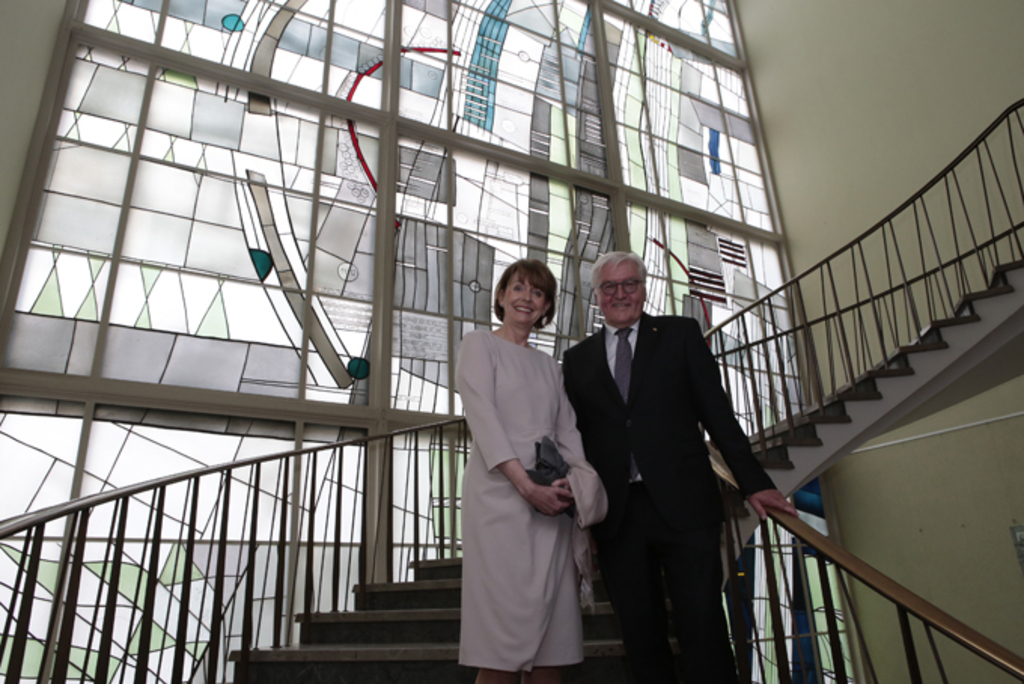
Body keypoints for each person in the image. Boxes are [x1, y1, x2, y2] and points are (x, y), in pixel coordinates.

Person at [561, 251, 798, 684]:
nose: (620, 294)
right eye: (609, 287)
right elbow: (574, 441)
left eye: (629, 283)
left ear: (644, 286)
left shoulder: (680, 334)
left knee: (703, 626)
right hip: (617, 518)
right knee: (640, 635)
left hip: (686, 509)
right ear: (596, 297)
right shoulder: (577, 361)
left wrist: (754, 484)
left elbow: (718, 415)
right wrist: (583, 520)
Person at [456, 259, 607, 684]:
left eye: (537, 293)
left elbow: (568, 434)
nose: (527, 298)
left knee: (552, 644)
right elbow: (482, 416)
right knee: (502, 642)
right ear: (501, 296)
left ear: (546, 308)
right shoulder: (479, 344)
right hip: (500, 497)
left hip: (551, 502)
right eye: (518, 288)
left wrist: (579, 501)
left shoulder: (550, 367)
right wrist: (524, 486)